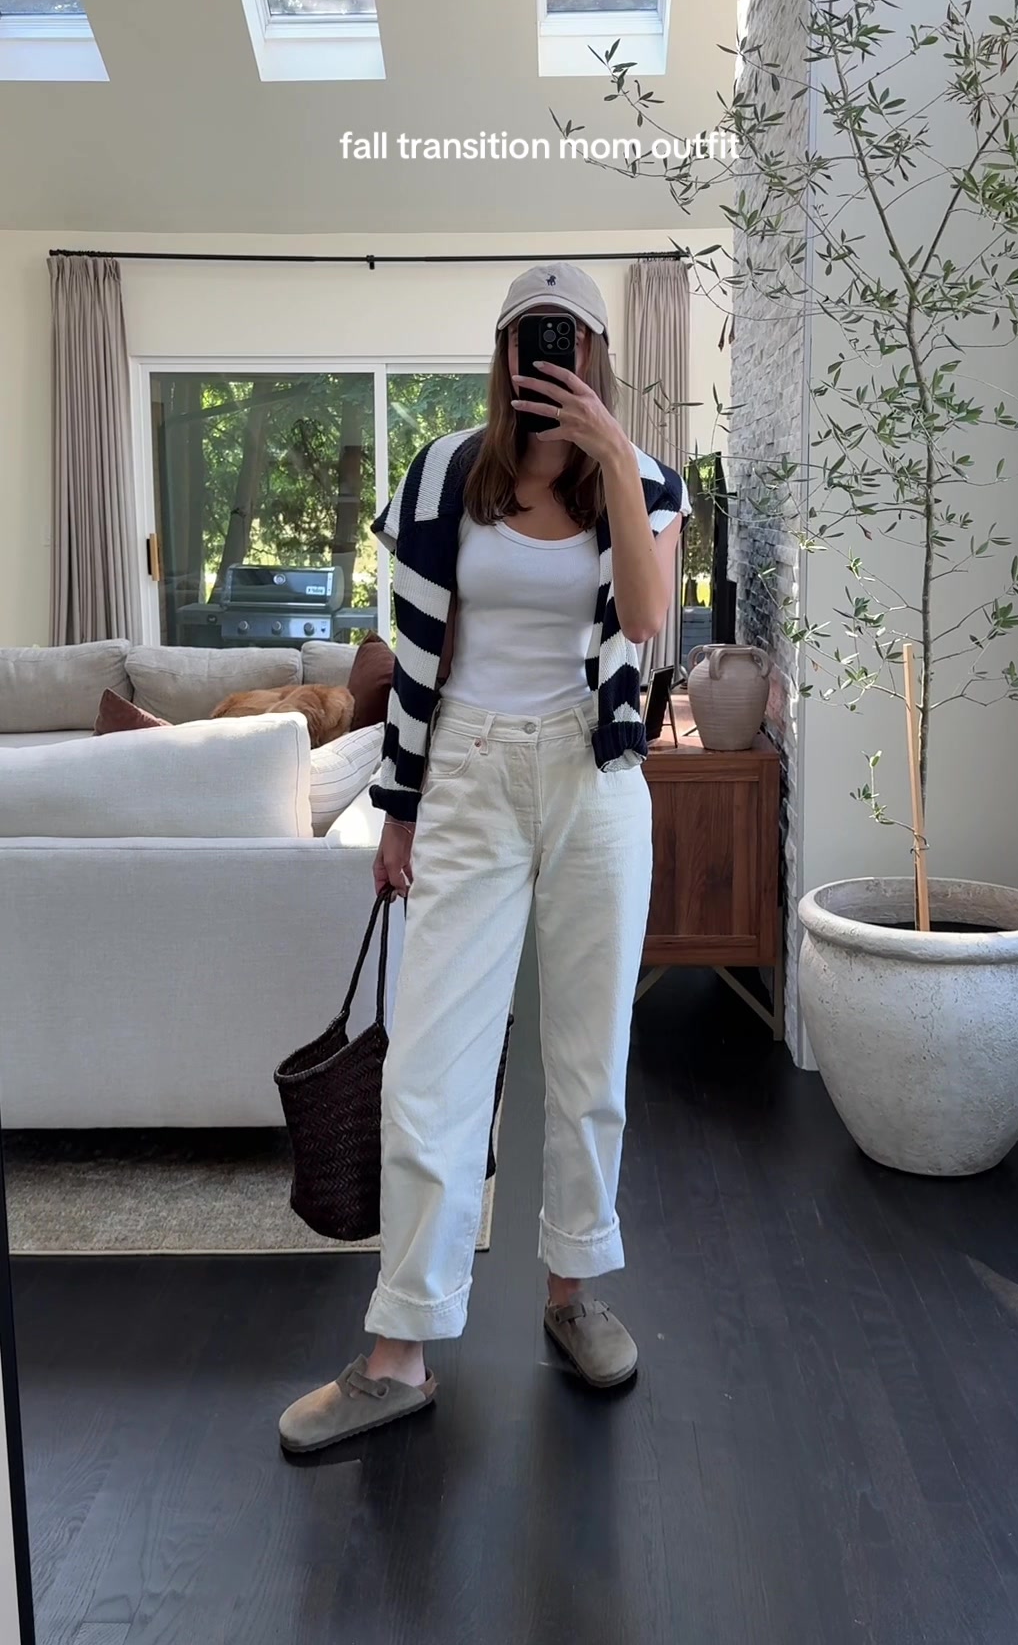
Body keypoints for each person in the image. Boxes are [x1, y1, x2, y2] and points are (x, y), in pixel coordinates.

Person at [280, 263, 690, 1452]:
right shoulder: (443, 476)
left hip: (593, 775)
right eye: (526, 336)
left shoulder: (647, 481)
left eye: (566, 338)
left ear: (597, 354)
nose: (544, 355)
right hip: (465, 767)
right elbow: (420, 658)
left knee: (588, 1060)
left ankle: (572, 1292)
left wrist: (612, 455)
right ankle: (400, 1350)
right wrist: (399, 811)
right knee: (431, 1069)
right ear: (502, 352)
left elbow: (648, 621)